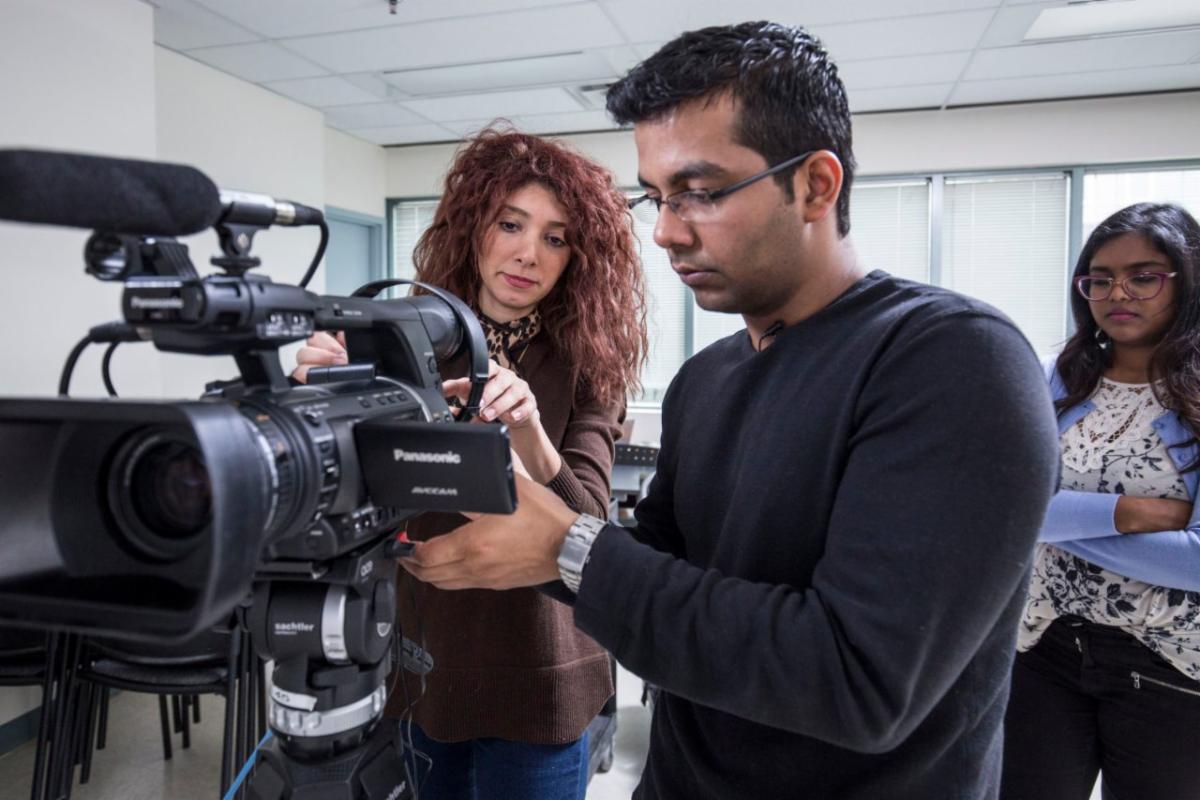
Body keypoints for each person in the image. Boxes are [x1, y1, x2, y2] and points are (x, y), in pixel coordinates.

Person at [399, 21, 1060, 800]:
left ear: (815, 185)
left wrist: (567, 547)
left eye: (700, 193)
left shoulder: (952, 360)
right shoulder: (706, 379)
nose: (665, 232)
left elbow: (859, 681)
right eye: (657, 198)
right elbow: (653, 573)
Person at [295, 127, 647, 800]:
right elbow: (342, 496)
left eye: (555, 238)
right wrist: (315, 402)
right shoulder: (404, 342)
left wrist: (528, 430)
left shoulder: (590, 367)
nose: (527, 253)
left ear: (578, 258)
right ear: (472, 228)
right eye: (510, 224)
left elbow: (590, 526)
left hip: (541, 675)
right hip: (422, 666)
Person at [1001, 203, 1200, 800]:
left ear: (1187, 280)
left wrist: (1047, 520)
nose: (1118, 293)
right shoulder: (1049, 378)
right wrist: (1125, 514)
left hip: (1170, 664)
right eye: (1100, 278)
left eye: (1144, 277)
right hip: (1041, 645)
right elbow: (995, 505)